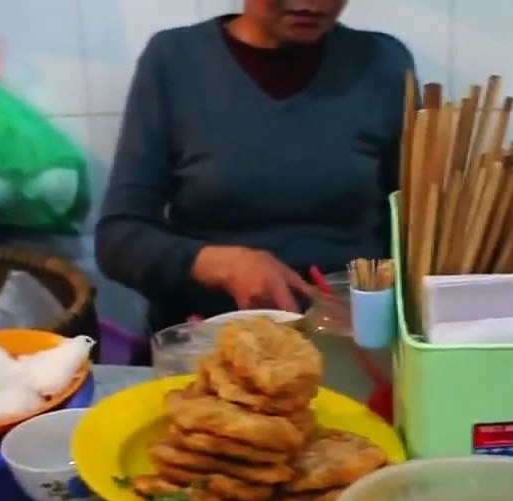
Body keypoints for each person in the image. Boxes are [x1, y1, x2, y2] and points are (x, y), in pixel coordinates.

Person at [95, 0, 415, 331]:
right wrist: (222, 265)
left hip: (350, 335)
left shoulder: (382, 63)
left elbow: (413, 229)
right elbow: (119, 238)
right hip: (211, 335)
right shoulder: (174, 59)